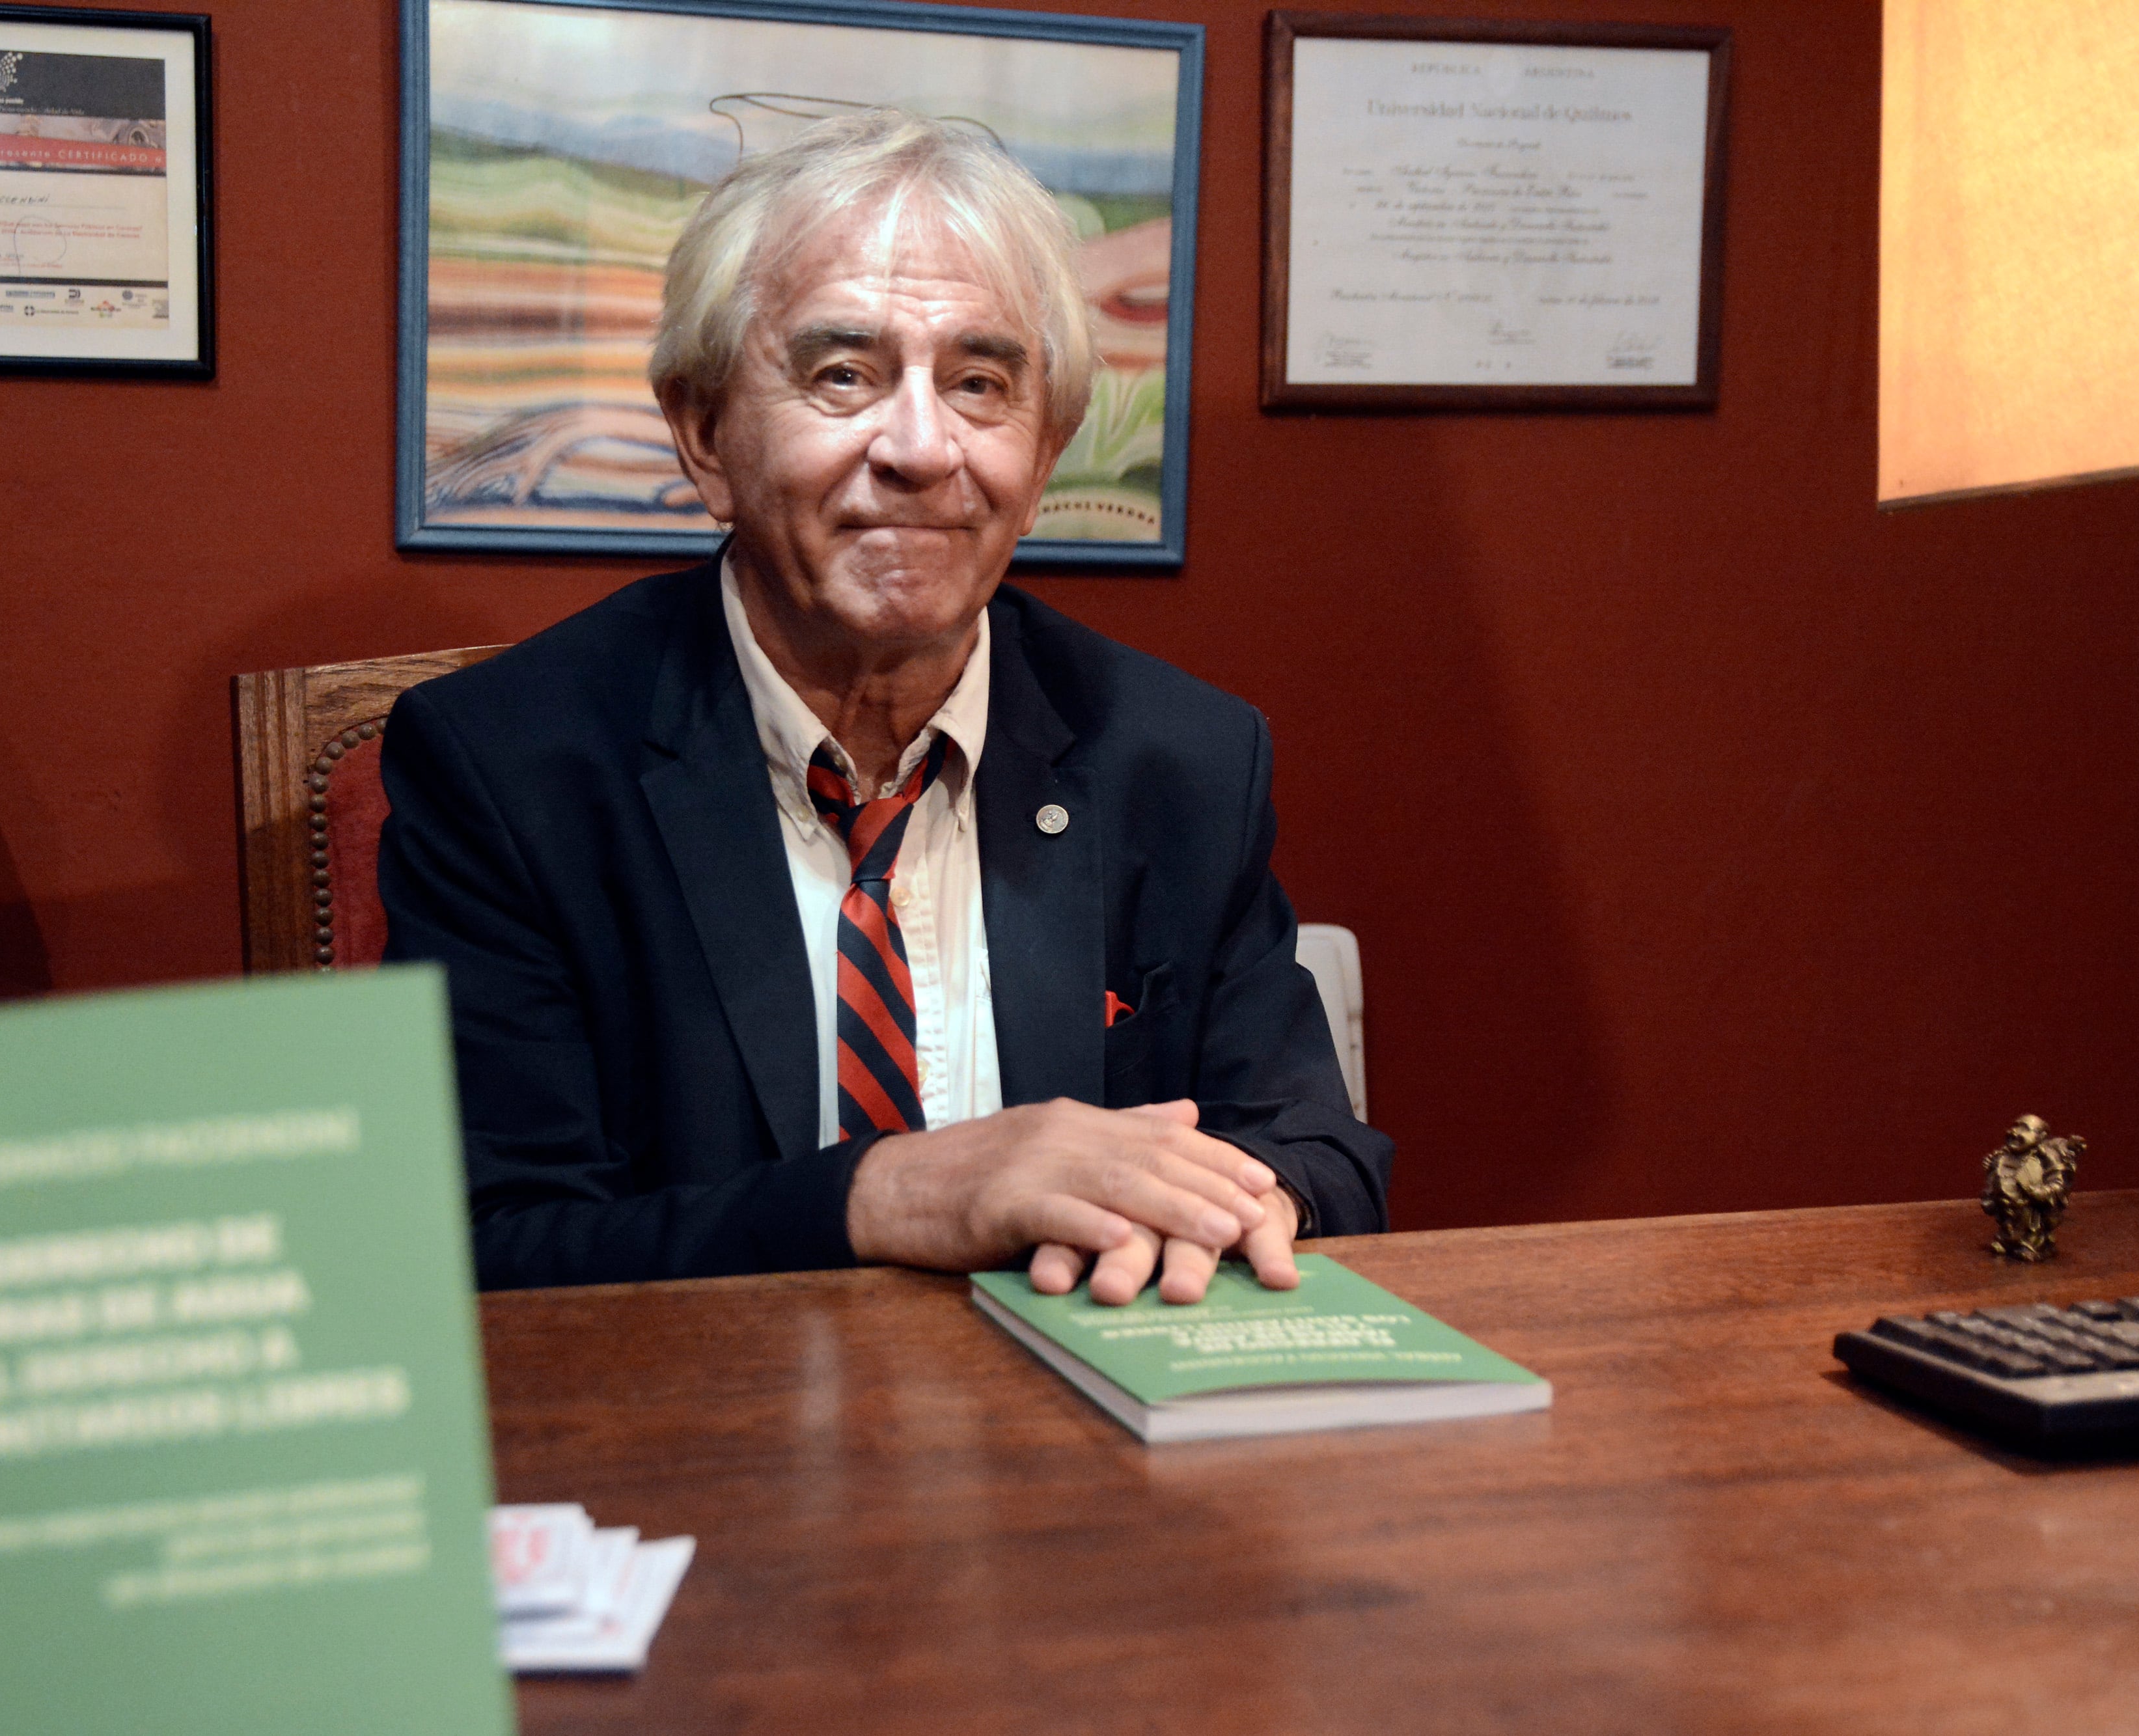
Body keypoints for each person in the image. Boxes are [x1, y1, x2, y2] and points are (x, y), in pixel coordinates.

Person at [379, 109, 1391, 1301]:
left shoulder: (1182, 758)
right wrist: (893, 1193)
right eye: (843, 374)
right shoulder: (511, 768)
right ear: (704, 435)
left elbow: (1322, 1153)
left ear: (1047, 449)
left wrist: (1248, 1203)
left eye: (979, 383)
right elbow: (493, 1249)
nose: (921, 447)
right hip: (713, 1450)